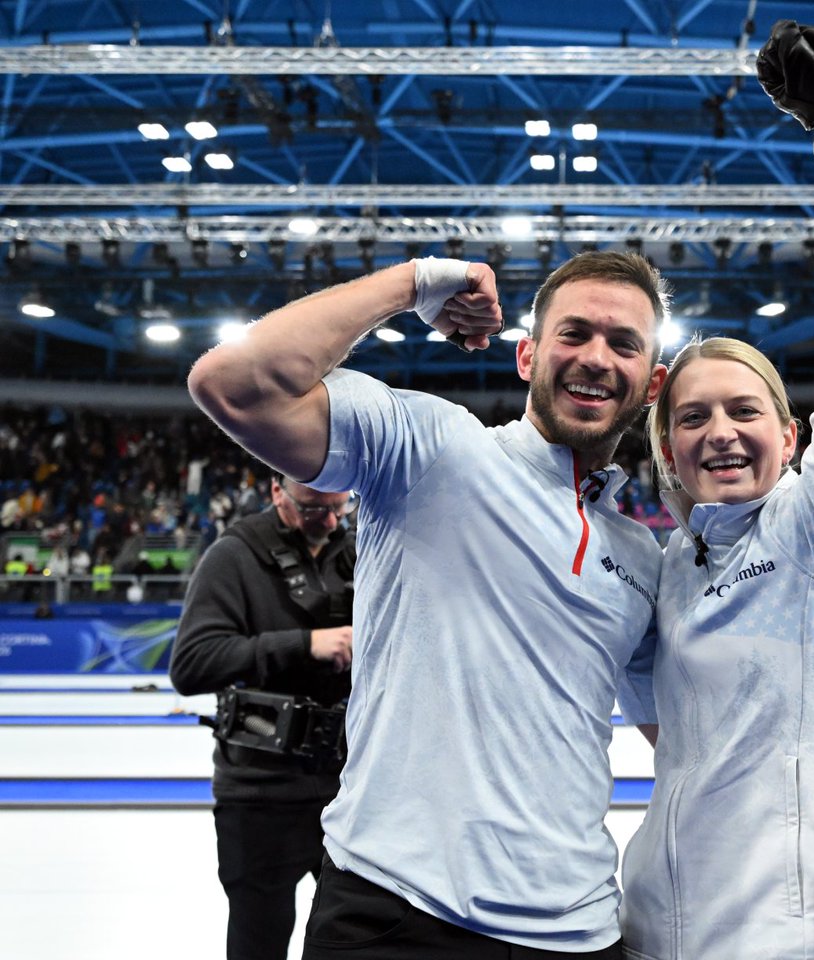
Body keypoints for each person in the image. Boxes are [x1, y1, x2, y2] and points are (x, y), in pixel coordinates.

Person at [186, 249, 670, 958]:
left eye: (622, 343)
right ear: (527, 355)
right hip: (394, 914)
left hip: (580, 931)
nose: (596, 357)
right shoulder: (429, 447)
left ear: (651, 383)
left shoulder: (641, 557)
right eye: (573, 334)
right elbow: (233, 384)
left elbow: (686, 740)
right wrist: (414, 283)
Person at [619, 22, 814, 959]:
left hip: (794, 938)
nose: (720, 433)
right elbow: (675, 741)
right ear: (666, 447)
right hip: (649, 921)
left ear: (793, 435)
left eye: (745, 411)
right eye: (692, 418)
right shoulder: (661, 568)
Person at [169, 475, 357, 960]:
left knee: (354, 940)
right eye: (316, 510)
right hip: (259, 792)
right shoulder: (233, 556)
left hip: (350, 791)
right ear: (278, 492)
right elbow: (192, 664)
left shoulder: (358, 551)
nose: (331, 522)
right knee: (258, 941)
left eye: (341, 508)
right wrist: (304, 645)